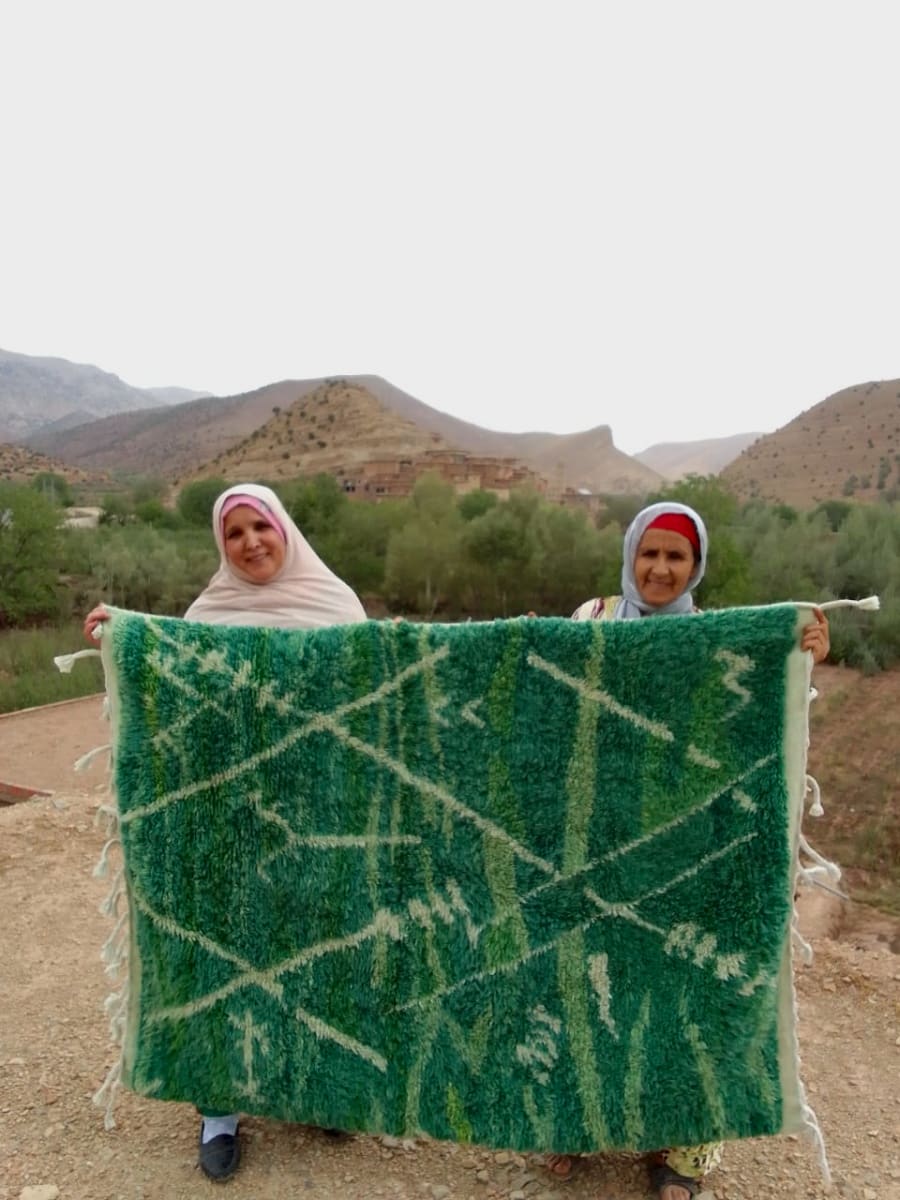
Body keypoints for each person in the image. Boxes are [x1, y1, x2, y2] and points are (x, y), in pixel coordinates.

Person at [544, 500, 829, 1200]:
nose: (661, 569)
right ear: (630, 555)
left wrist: (799, 651)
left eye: (677, 557)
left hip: (686, 851)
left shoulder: (718, 638)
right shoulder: (592, 617)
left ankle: (685, 1151)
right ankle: (579, 1122)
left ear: (696, 566)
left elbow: (752, 727)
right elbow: (542, 697)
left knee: (682, 999)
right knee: (589, 986)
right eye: (651, 553)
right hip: (597, 839)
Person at [84, 482, 367, 1182]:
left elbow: (370, 709)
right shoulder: (205, 616)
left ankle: (316, 1090)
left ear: (285, 530)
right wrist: (121, 637)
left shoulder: (338, 607)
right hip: (228, 825)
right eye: (234, 533)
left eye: (260, 528)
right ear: (222, 544)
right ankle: (221, 1111)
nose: (250, 543)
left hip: (317, 815)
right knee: (226, 961)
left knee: (317, 953)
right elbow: (168, 696)